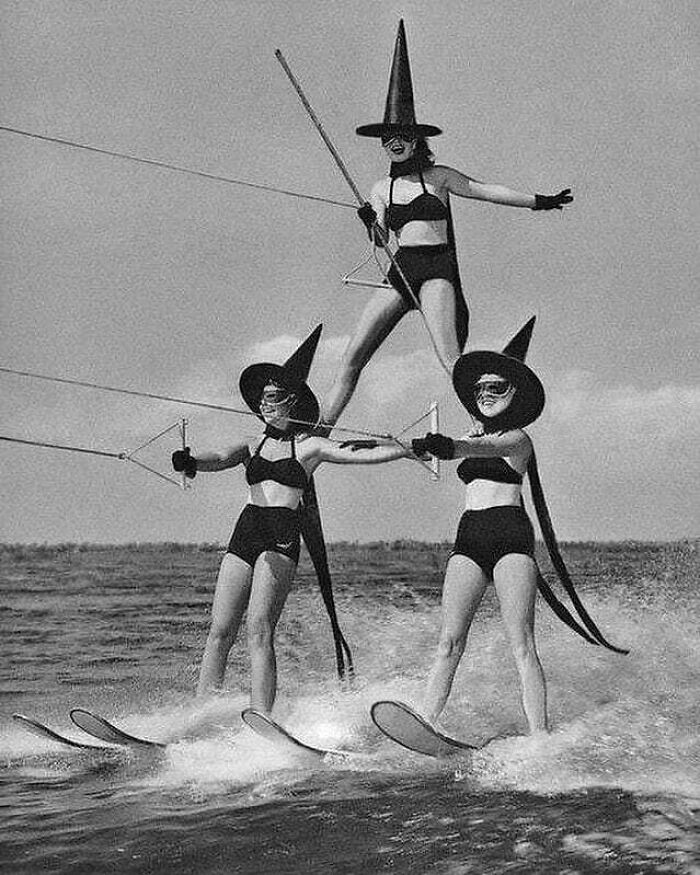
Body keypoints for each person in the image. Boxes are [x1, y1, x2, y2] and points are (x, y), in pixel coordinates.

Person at [321, 19, 572, 429]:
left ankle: (485, 421)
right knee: (352, 357)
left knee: (450, 360)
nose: (393, 142)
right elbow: (381, 239)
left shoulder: (440, 177)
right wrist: (370, 222)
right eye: (388, 138)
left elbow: (485, 190)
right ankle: (319, 431)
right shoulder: (380, 188)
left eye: (401, 134)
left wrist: (538, 202)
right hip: (400, 269)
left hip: (436, 270)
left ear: (417, 139)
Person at [172, 325, 410, 713]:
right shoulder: (254, 443)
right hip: (246, 531)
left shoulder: (310, 445)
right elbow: (217, 458)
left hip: (281, 537)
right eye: (262, 400)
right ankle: (201, 714)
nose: (266, 405)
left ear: (292, 402)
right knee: (219, 632)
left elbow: (354, 450)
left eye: (274, 399)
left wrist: (404, 449)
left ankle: (262, 716)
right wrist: (191, 461)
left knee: (258, 630)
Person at [411, 317, 627, 735]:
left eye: (496, 388)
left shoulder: (518, 439)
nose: (486, 395)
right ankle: (424, 725)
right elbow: (455, 445)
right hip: (468, 537)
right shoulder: (473, 433)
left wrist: (450, 446)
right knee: (449, 642)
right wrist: (397, 446)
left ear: (515, 394)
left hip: (510, 538)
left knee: (522, 645)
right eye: (480, 389)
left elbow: (474, 447)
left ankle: (539, 739)